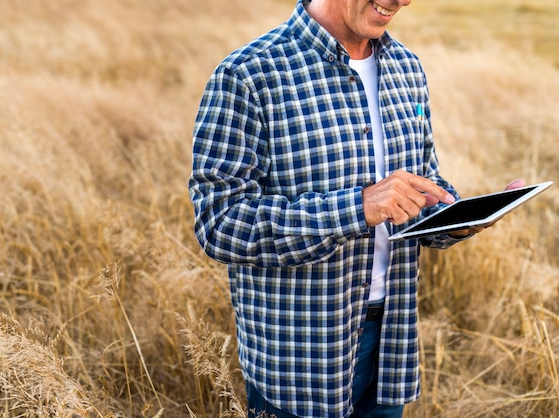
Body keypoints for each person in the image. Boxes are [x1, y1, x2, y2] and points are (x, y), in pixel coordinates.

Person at [188, 0, 524, 416]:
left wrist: (455, 221)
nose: (401, 1)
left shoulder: (407, 68)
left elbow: (422, 187)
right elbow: (219, 222)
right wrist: (358, 208)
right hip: (302, 357)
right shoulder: (249, 74)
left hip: (392, 343)